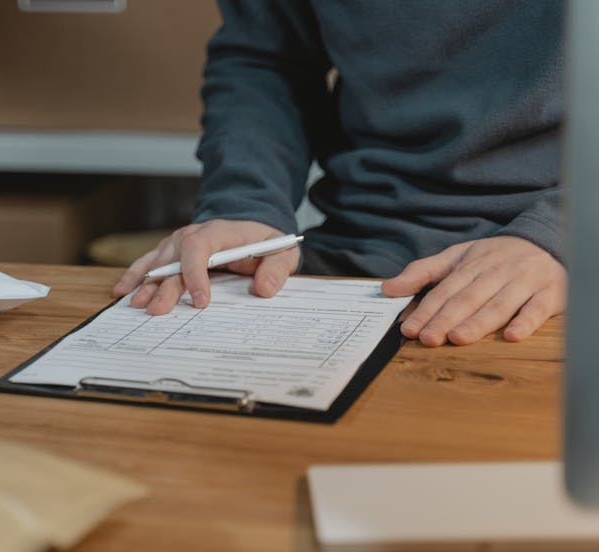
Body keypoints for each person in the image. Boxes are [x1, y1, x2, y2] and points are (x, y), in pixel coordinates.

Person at [113, 1, 567, 347]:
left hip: (557, 265)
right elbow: (267, 58)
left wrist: (562, 234)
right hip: (359, 263)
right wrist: (246, 204)